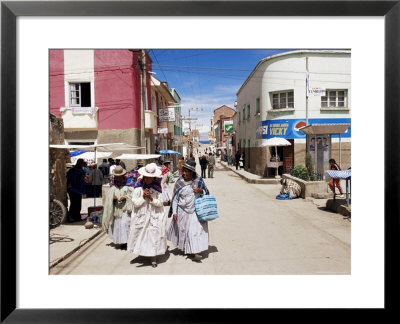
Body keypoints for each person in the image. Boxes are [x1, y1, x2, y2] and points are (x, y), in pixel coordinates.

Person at [167, 159, 210, 262]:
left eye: (186, 171)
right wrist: (174, 212)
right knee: (184, 232)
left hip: (195, 212)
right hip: (182, 212)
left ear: (192, 172)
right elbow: (175, 199)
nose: (184, 173)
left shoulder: (199, 180)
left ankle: (196, 253)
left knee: (193, 232)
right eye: (183, 171)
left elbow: (207, 193)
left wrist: (201, 191)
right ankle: (187, 248)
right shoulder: (179, 182)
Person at [127, 163, 166, 268]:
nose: (149, 180)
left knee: (153, 236)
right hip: (142, 216)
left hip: (154, 216)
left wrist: (152, 199)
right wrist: (144, 197)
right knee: (141, 235)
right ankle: (142, 252)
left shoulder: (157, 188)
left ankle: (153, 257)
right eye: (147, 177)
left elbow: (160, 203)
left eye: (151, 178)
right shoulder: (138, 188)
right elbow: (135, 203)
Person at [102, 166, 133, 249]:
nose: (117, 178)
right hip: (116, 209)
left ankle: (127, 242)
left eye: (119, 176)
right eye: (116, 176)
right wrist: (112, 198)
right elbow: (108, 198)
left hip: (125, 208)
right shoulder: (113, 184)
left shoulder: (128, 183)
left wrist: (126, 197)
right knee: (118, 226)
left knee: (126, 224)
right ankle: (121, 242)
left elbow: (132, 195)